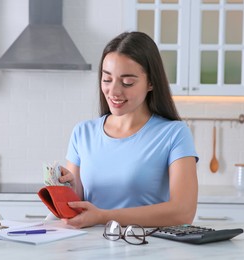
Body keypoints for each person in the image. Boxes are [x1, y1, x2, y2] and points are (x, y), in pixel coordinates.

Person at [59, 31, 198, 229]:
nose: (114, 91)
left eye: (127, 82)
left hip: (146, 247)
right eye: (107, 79)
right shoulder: (82, 133)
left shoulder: (174, 133)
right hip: (89, 249)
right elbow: (78, 208)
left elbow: (183, 212)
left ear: (151, 82)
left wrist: (102, 216)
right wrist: (67, 190)